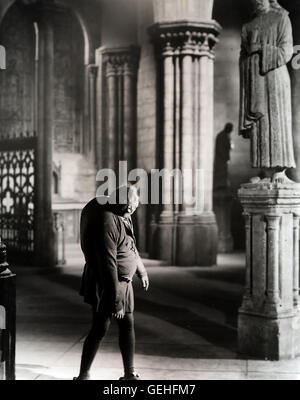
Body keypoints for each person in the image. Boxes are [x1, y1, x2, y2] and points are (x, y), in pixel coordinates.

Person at [74, 185, 149, 380]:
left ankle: (129, 373)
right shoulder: (107, 220)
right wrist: (115, 300)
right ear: (127, 204)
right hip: (107, 284)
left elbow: (131, 246)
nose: (137, 203)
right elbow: (108, 264)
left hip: (123, 284)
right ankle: (84, 374)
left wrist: (141, 269)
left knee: (127, 326)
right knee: (100, 327)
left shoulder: (124, 215)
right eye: (135, 201)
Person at [239, 0, 295, 182]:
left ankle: (279, 172)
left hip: (275, 81)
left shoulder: (281, 17)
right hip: (256, 82)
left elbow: (286, 51)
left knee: (277, 122)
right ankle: (264, 172)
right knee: (260, 125)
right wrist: (250, 59)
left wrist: (261, 49)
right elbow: (242, 58)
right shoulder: (248, 26)